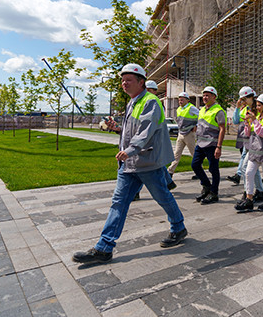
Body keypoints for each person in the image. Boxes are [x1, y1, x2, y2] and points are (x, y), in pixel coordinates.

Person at [72, 64, 186, 264]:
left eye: (129, 80)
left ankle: (178, 227)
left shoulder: (150, 102)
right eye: (122, 80)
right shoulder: (132, 102)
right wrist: (117, 129)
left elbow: (145, 131)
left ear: (141, 82)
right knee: (118, 203)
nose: (124, 83)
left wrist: (130, 150)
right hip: (129, 164)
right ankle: (104, 247)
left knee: (163, 197)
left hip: (147, 162)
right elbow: (132, 131)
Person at [235, 94, 263, 212]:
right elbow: (248, 134)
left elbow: (262, 132)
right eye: (257, 105)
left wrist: (254, 120)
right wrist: (247, 123)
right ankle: (249, 200)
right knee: (248, 173)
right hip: (255, 151)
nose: (257, 108)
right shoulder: (257, 118)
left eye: (259, 105)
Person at [228, 87, 263, 202]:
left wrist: (252, 120)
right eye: (242, 99)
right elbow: (235, 120)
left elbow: (259, 125)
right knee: (255, 170)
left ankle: (247, 193)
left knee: (244, 168)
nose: (243, 101)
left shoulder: (258, 109)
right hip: (247, 143)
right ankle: (259, 191)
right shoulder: (245, 108)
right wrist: (237, 108)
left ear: (251, 97)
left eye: (244, 99)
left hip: (255, 143)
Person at [192, 86, 226, 204]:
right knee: (195, 165)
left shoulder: (218, 111)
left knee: (213, 169)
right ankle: (206, 186)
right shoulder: (202, 110)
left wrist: (219, 146)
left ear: (214, 97)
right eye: (204, 95)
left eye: (207, 95)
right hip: (200, 144)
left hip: (212, 144)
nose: (205, 97)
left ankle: (214, 193)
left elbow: (222, 129)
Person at [170, 92, 198, 177]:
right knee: (176, 154)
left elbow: (202, 116)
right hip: (181, 134)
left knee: (194, 154)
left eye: (182, 99)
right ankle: (170, 172)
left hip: (189, 134)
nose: (180, 101)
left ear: (187, 100)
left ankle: (198, 172)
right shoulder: (178, 109)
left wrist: (196, 125)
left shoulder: (191, 108)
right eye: (179, 99)